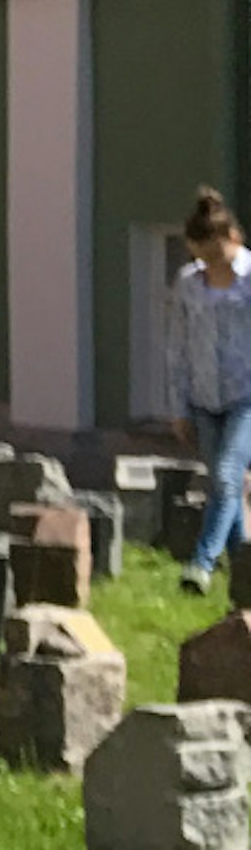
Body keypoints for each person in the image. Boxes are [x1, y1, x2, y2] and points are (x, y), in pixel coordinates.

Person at [173, 189, 251, 591]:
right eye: (199, 258)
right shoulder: (188, 284)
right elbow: (179, 346)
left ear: (231, 240)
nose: (206, 266)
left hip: (246, 399)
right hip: (204, 399)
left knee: (225, 475)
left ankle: (201, 565)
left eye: (213, 257)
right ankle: (244, 570)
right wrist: (180, 406)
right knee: (228, 487)